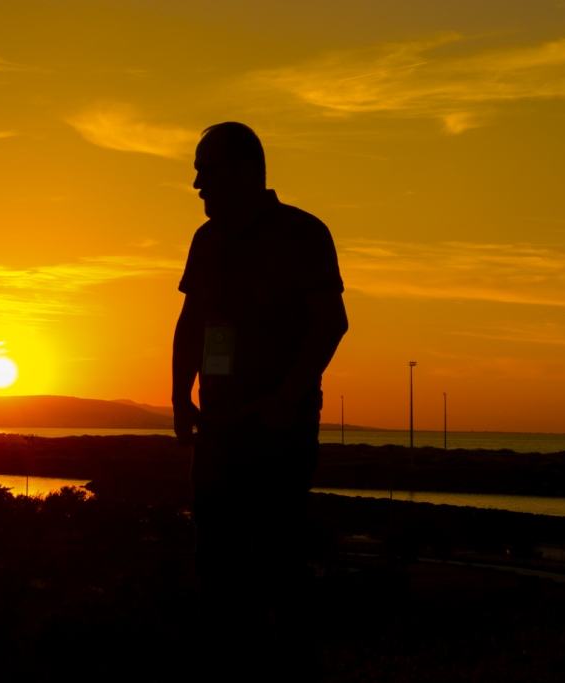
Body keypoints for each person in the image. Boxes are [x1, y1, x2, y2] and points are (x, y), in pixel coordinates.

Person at [172, 122, 348, 675]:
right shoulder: (207, 240)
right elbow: (191, 321)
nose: (197, 181)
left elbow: (331, 322)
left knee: (280, 568)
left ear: (245, 172)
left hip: (278, 433)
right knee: (215, 569)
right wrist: (180, 398)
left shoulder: (302, 234)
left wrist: (285, 397)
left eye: (207, 168)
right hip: (218, 429)